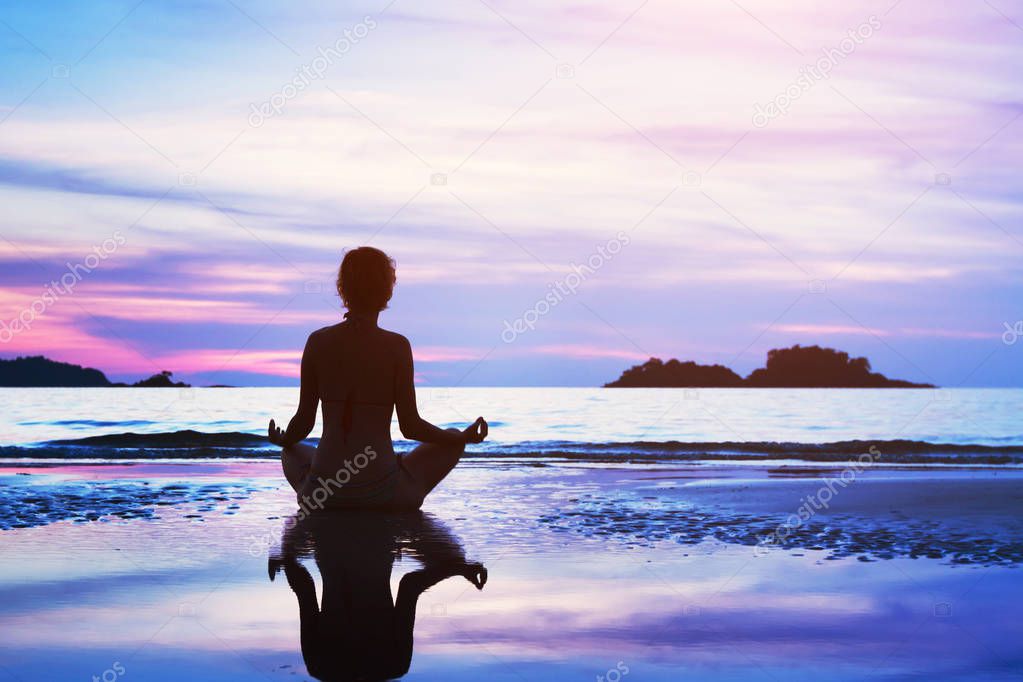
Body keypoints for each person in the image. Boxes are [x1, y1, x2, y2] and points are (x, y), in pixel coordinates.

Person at [268, 246, 488, 510]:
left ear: (343, 289)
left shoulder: (317, 341)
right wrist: (462, 439)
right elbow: (410, 426)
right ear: (387, 290)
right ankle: (396, 471)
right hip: (383, 494)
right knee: (451, 436)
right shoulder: (397, 346)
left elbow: (303, 423)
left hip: (322, 494)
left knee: (291, 450)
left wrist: (282, 439)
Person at [268, 510, 487, 680]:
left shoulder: (394, 665)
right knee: (314, 467)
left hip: (379, 531)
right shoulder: (321, 668)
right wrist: (286, 561)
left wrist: (458, 568)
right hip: (330, 533)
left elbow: (410, 586)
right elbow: (305, 591)